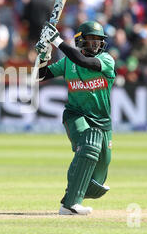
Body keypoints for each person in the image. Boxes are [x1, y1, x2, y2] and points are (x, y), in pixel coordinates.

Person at [35, 20, 115, 215]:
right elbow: (38, 75)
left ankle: (71, 195)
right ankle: (70, 205)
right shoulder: (68, 62)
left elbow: (84, 62)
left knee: (97, 183)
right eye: (90, 40)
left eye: (98, 41)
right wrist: (43, 56)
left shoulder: (106, 60)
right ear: (80, 41)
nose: (95, 44)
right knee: (89, 143)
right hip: (75, 115)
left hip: (102, 121)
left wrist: (57, 41)